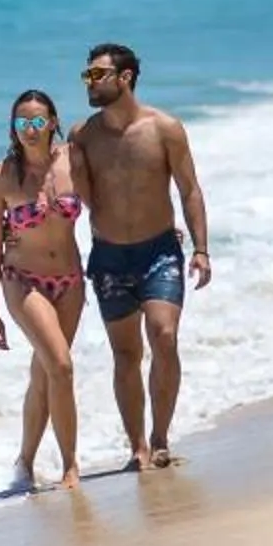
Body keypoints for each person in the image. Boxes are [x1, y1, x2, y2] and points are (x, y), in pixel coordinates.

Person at [70, 41, 211, 471]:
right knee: (126, 354)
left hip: (159, 251)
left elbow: (189, 188)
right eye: (87, 75)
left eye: (97, 74)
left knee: (164, 336)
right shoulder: (84, 136)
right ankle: (137, 446)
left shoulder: (164, 128)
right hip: (109, 256)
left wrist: (202, 248)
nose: (88, 83)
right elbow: (75, 197)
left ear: (124, 77)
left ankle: (161, 436)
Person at [0, 88, 89, 492]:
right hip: (22, 281)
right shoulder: (0, 177)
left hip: (70, 281)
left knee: (45, 372)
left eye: (37, 121)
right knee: (60, 366)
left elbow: (107, 204)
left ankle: (24, 462)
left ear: (53, 122)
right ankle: (70, 466)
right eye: (21, 122)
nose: (29, 129)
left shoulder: (73, 161)